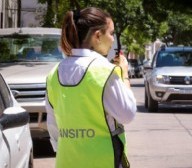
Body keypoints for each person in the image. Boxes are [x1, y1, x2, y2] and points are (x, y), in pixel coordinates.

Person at [45, 7, 137, 168]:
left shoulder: (54, 73)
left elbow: (53, 127)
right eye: (111, 33)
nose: (113, 40)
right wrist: (124, 75)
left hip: (67, 162)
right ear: (98, 36)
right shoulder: (103, 70)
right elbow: (127, 114)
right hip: (104, 162)